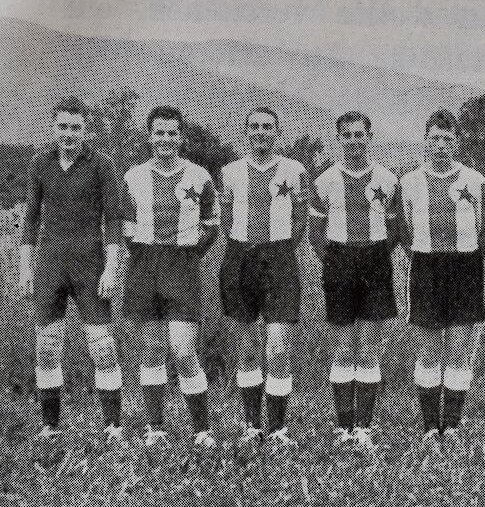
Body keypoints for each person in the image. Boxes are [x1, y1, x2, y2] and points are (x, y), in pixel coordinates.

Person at [19, 97, 125, 443]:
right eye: (62, 126)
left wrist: (111, 268)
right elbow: (31, 219)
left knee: (102, 345)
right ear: (53, 127)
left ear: (86, 128)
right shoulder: (40, 163)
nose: (68, 134)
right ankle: (51, 426)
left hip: (90, 262)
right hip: (50, 262)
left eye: (75, 127)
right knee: (46, 345)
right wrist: (25, 268)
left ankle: (112, 425)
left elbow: (113, 221)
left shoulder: (102, 164)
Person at [122, 106, 220, 450]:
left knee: (182, 350)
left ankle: (201, 429)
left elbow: (212, 224)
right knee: (150, 349)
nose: (165, 139)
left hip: (181, 267)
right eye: (159, 132)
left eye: (172, 133)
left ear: (182, 137)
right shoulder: (133, 176)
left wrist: (191, 252)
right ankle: (155, 427)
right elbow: (123, 223)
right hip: (144, 264)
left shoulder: (200, 176)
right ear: (149, 136)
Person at [398, 109, 485, 449]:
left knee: (461, 344)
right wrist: (420, 254)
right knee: (429, 344)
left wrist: (468, 257)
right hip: (425, 266)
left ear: (456, 142)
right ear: (425, 141)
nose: (440, 145)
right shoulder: (409, 181)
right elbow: (402, 230)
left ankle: (451, 423)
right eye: (434, 139)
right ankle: (429, 425)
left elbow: (484, 231)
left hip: (464, 266)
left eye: (447, 139)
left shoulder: (476, 181)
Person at [309, 111, 398, 450]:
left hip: (375, 261)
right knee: (344, 347)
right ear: (338, 140)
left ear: (369, 137)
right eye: (346, 136)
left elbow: (394, 229)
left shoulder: (387, 180)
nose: (354, 141)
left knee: (369, 348)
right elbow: (315, 233)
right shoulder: (325, 181)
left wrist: (377, 258)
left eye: (360, 134)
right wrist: (332, 262)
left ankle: (364, 426)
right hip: (339, 261)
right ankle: (344, 426)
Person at [220, 107, 308, 450]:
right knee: (246, 345)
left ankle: (277, 428)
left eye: (268, 127)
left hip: (281, 258)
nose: (261, 133)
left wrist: (281, 247)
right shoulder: (229, 172)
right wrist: (242, 245)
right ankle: (252, 425)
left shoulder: (295, 170)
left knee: (278, 345)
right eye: (254, 127)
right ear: (246, 132)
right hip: (240, 258)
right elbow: (225, 216)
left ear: (277, 132)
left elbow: (301, 218)